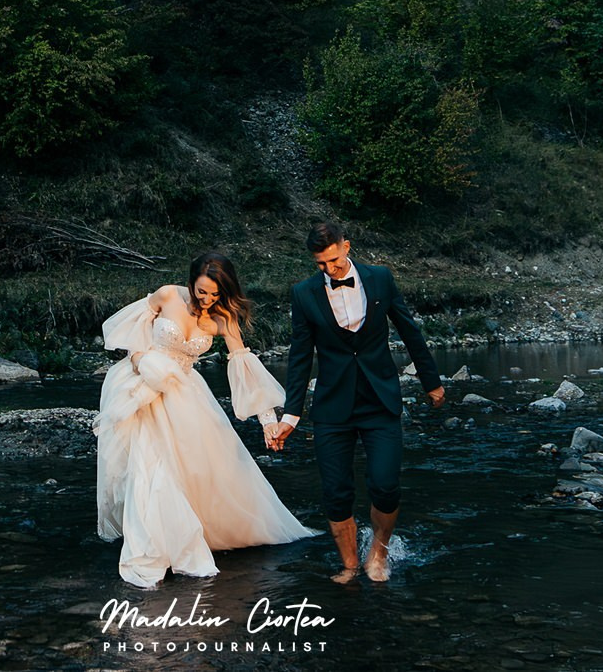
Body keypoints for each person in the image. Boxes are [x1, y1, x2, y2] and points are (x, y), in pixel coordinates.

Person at [94, 251, 317, 587]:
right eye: (202, 292)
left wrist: (267, 420)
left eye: (216, 293)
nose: (208, 299)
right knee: (148, 463)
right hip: (142, 382)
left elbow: (243, 366)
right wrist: (140, 360)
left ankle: (177, 534)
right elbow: (133, 329)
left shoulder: (224, 318)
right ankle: (156, 541)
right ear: (191, 281)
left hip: (184, 390)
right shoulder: (167, 294)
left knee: (194, 466)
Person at [268, 221, 444, 582]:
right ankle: (349, 564)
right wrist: (291, 415)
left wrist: (431, 380)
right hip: (333, 406)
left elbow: (410, 330)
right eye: (321, 264)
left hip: (380, 400)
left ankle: (378, 553)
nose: (329, 270)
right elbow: (301, 356)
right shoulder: (303, 293)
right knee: (336, 491)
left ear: (346, 246)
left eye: (333, 260)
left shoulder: (380, 278)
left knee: (385, 484)